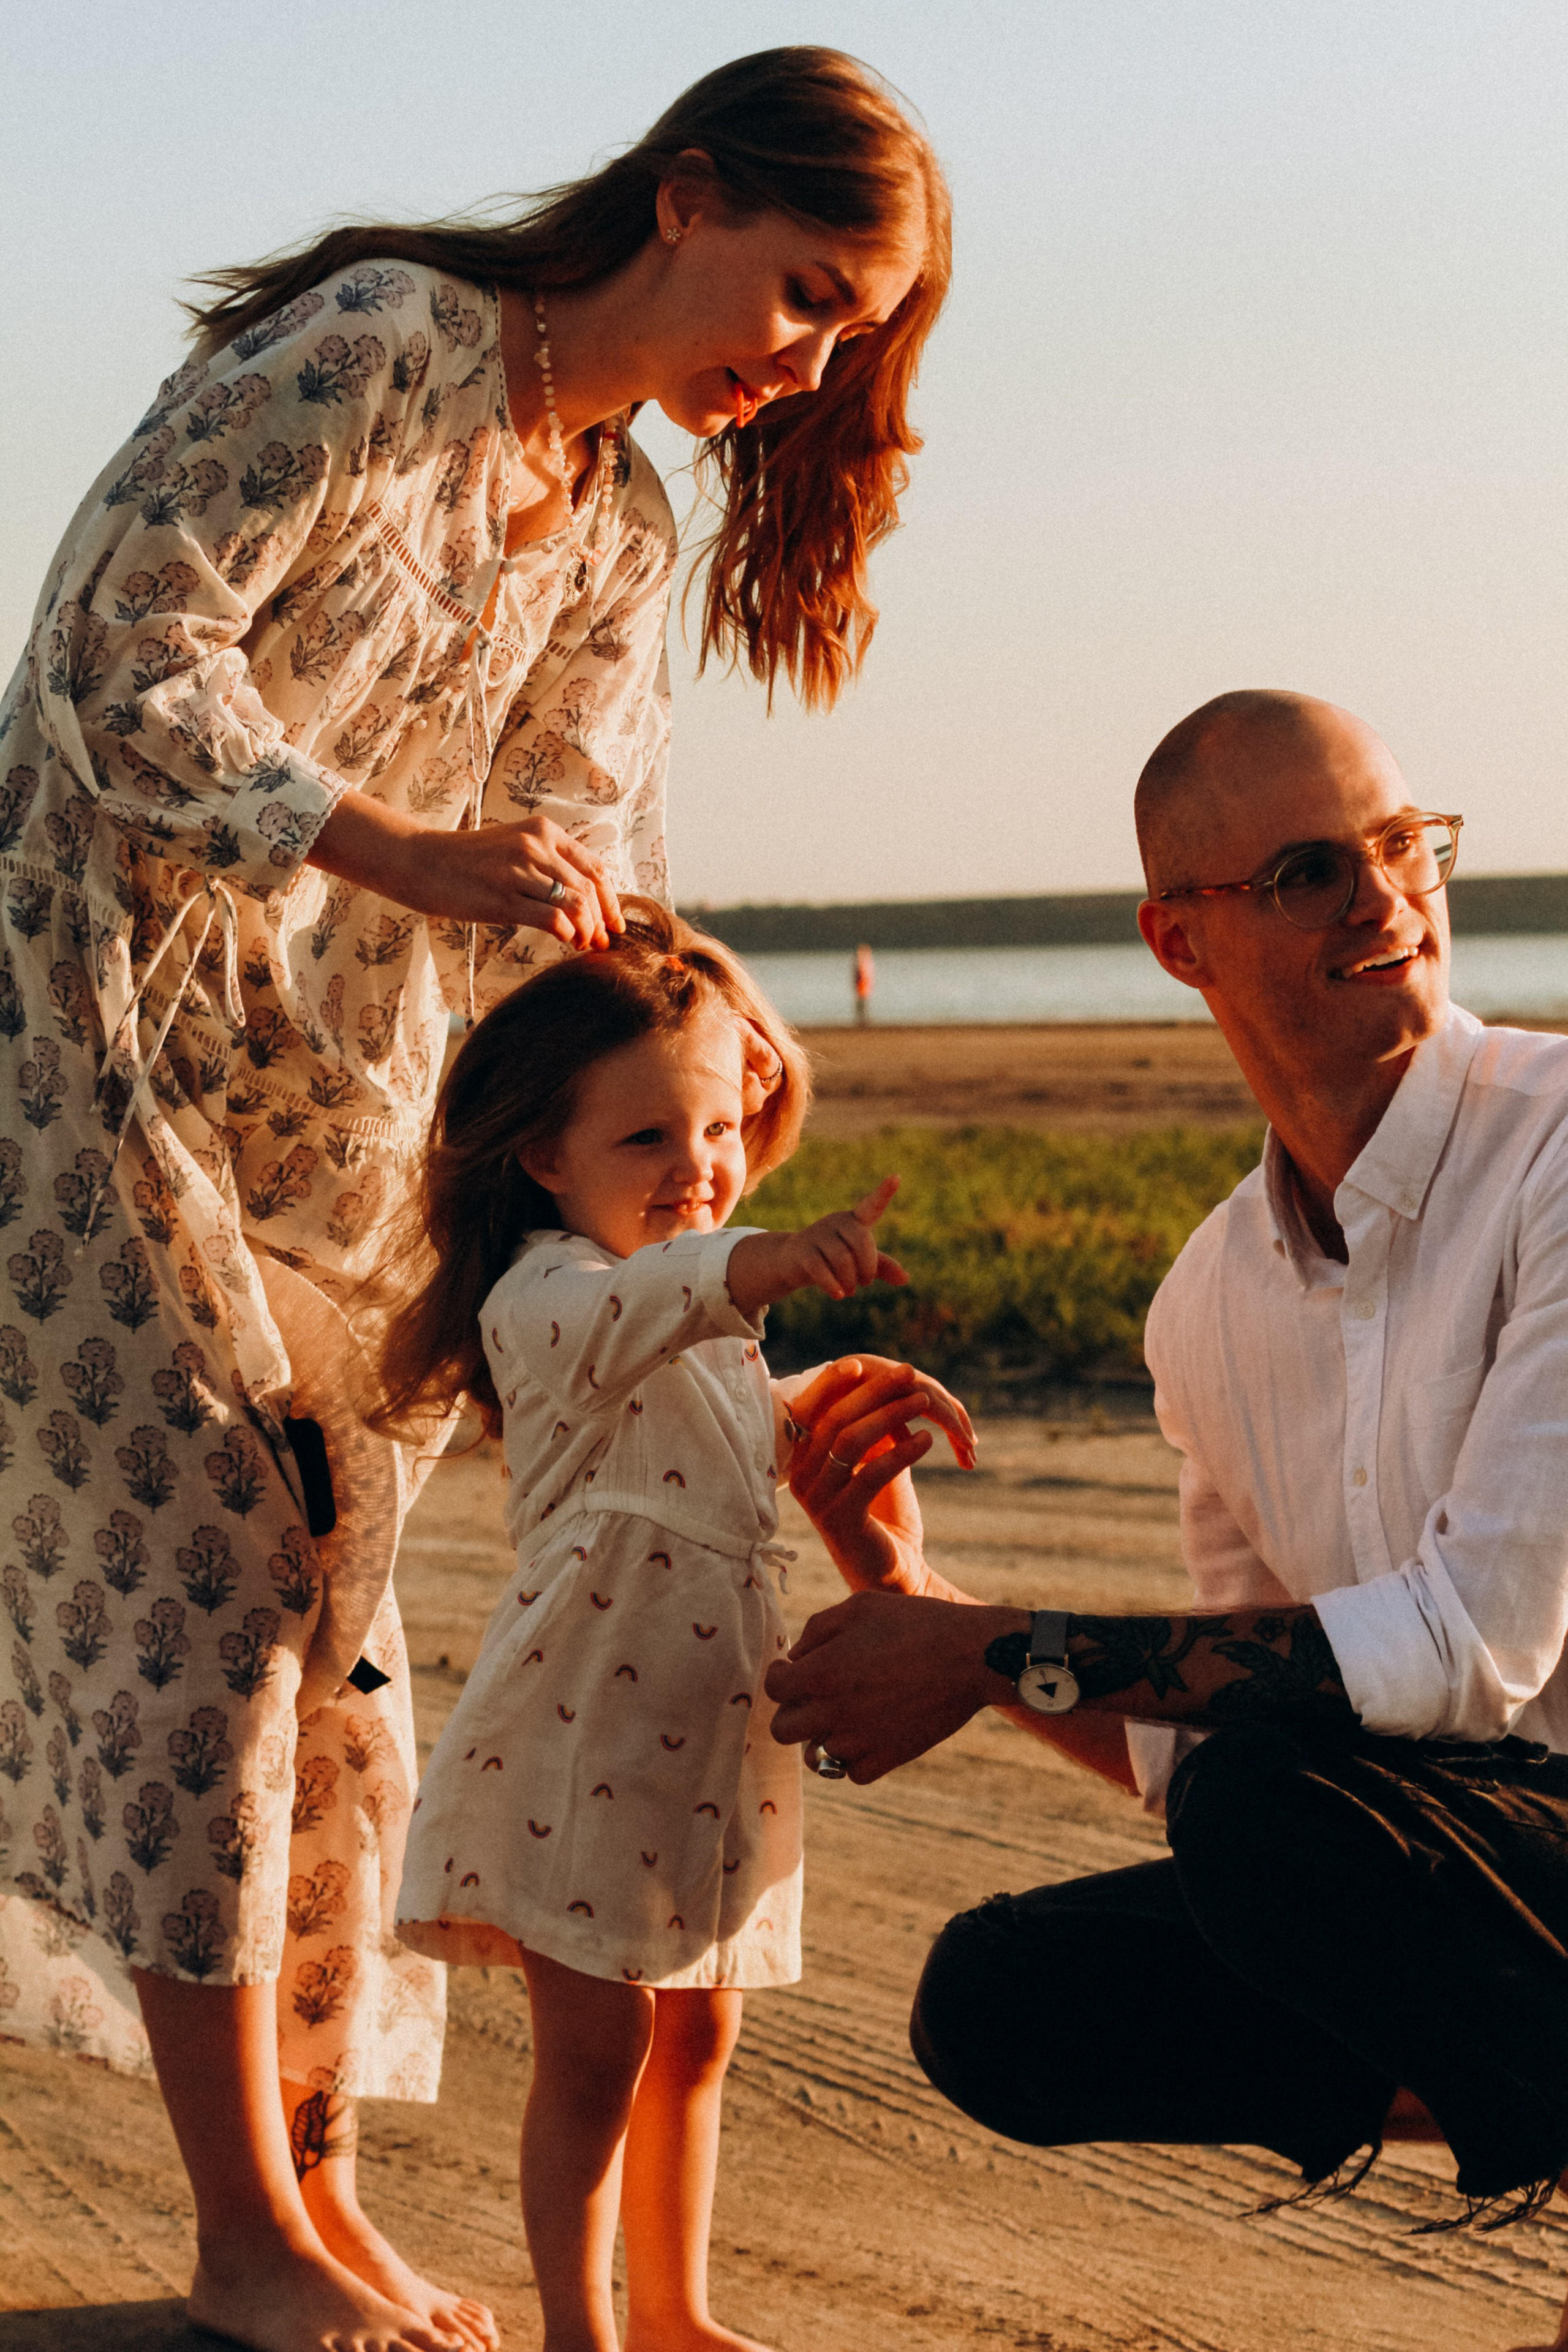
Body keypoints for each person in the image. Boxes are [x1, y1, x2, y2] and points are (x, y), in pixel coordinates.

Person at [0, 47, 950, 2352]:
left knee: (334, 1628)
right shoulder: (382, 344)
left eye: (850, 335)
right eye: (805, 294)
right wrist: (389, 846)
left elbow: (580, 880)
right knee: (205, 1597)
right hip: (106, 1054)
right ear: (687, 193)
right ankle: (241, 2245)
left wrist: (710, 1020)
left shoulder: (617, 523)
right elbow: (107, 664)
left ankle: (314, 2214)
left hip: (367, 1118)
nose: (804, 363)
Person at [766, 689, 1568, 2323]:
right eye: (1307, 872)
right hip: (1459, 1889)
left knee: (1278, 1820)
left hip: (1534, 1859)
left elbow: (1470, 1643)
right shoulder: (1207, 1303)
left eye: (1405, 844)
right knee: (1002, 1995)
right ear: (1176, 940)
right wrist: (927, 1597)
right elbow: (1191, 1748)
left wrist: (996, 1651)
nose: (1387, 899)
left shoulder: (1556, 1151)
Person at [374, 903, 974, 2352]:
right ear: (542, 1159)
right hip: (582, 1737)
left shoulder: (692, 1320)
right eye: (645, 1141)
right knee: (597, 2051)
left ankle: (675, 2316)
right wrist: (773, 1254)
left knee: (698, 2035)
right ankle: (583, 2329)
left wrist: (842, 1389)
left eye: (713, 1130)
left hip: (706, 1740)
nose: (696, 1169)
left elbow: (719, 1409)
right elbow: (662, 1295)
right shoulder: (551, 1297)